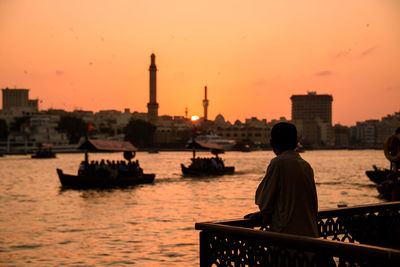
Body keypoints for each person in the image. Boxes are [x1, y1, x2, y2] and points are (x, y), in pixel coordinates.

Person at [245, 122, 319, 237]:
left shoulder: (278, 163)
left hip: (288, 238)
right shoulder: (306, 165)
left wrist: (265, 213)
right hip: (311, 236)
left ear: (272, 143)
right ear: (296, 143)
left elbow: (264, 200)